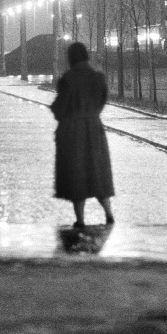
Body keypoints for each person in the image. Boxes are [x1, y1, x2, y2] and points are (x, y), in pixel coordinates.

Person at [51, 41, 115, 228]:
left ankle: (80, 219)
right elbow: (103, 101)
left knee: (76, 174)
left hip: (72, 132)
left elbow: (59, 108)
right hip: (95, 130)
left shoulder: (68, 79)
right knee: (98, 173)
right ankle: (109, 214)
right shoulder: (99, 78)